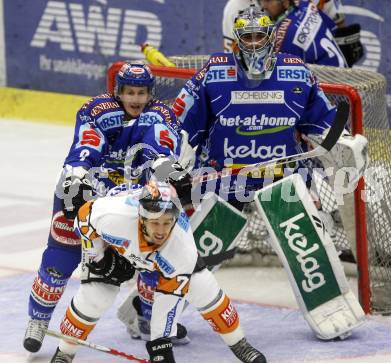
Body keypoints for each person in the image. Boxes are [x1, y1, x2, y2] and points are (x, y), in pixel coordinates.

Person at [173, 5, 367, 340]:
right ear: (234, 41)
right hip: (227, 179)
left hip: (281, 175)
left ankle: (330, 305)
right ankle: (150, 308)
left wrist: (345, 144)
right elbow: (183, 127)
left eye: (258, 36)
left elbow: (321, 121)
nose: (252, 43)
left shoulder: (296, 72)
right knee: (203, 249)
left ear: (270, 40)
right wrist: (175, 161)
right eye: (245, 37)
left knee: (304, 243)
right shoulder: (214, 73)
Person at [23, 62, 188, 353]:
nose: (135, 99)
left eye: (141, 92)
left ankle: (149, 319)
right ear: (118, 91)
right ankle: (38, 320)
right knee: (59, 258)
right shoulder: (96, 110)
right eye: (129, 92)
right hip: (84, 191)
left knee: (151, 261)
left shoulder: (161, 114)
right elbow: (86, 145)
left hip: (130, 199)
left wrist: (166, 167)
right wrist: (76, 176)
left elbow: (159, 147)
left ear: (150, 93)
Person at [49, 181, 266, 363]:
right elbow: (84, 218)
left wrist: (160, 344)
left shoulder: (182, 249)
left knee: (203, 288)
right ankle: (64, 353)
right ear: (141, 217)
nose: (161, 231)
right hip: (115, 248)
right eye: (155, 223)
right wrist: (100, 257)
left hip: (159, 259)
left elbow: (167, 298)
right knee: (96, 296)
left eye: (166, 222)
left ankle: (240, 344)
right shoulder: (113, 216)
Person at [223, 0, 363, 67]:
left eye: (268, 1)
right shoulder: (306, 6)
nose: (264, 6)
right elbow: (233, 63)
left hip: (326, 94)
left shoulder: (283, 38)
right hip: (340, 84)